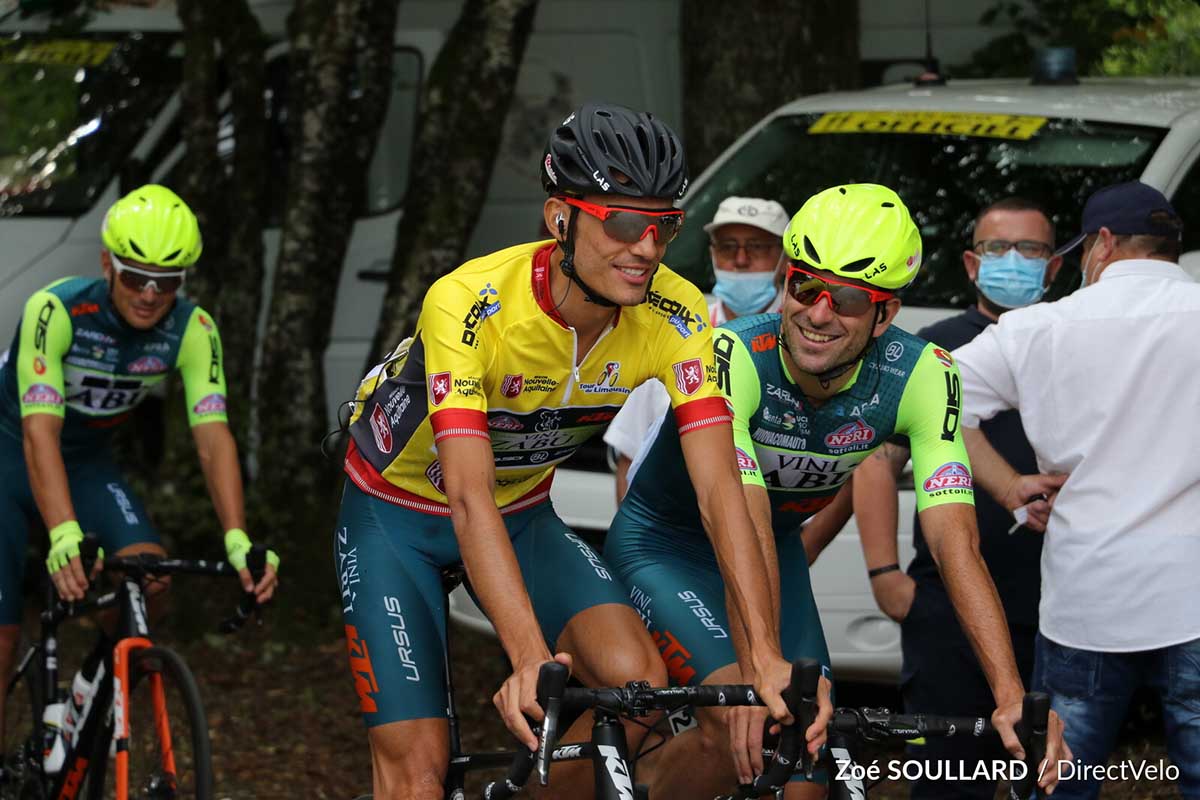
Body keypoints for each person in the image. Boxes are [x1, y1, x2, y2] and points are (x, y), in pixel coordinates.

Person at [333, 103, 820, 800]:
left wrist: (763, 654)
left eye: (664, 226)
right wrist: (529, 656)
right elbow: (469, 496)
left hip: (523, 515)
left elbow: (722, 493)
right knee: (416, 772)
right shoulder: (468, 303)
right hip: (398, 517)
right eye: (623, 223)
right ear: (561, 219)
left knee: (641, 698)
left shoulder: (678, 317)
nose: (647, 248)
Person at [604, 183, 1068, 798]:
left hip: (773, 552)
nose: (819, 313)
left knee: (806, 773)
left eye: (848, 298)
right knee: (739, 729)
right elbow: (738, 509)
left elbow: (956, 543)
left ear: (886, 314)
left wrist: (1012, 695)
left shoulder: (926, 375)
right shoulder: (732, 356)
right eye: (805, 286)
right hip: (667, 547)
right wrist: (760, 660)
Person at [0, 184, 278, 741]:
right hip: (9, 450)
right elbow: (39, 433)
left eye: (168, 282)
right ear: (107, 263)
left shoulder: (193, 330)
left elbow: (214, 436)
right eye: (135, 276)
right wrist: (62, 534)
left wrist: (237, 540)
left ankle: (87, 696)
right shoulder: (55, 311)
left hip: (86, 463)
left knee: (147, 580)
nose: (151, 295)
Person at [954, 180, 1200, 799]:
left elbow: (934, 403)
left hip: (1088, 599)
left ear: (1104, 244)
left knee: (1059, 781)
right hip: (1193, 593)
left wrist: (1009, 485)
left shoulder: (1040, 328)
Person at [851, 197, 1062, 799]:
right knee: (948, 778)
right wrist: (884, 573)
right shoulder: (929, 349)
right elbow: (874, 459)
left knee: (1048, 776)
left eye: (1032, 249)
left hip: (1056, 605)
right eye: (998, 249)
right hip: (946, 609)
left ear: (1053, 269)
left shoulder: (1070, 340)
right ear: (972, 263)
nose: (1014, 261)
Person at [604, 195, 790, 500]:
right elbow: (630, 454)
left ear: (785, 260)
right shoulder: (677, 326)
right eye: (728, 247)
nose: (741, 260)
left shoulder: (809, 336)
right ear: (713, 254)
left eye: (757, 247)